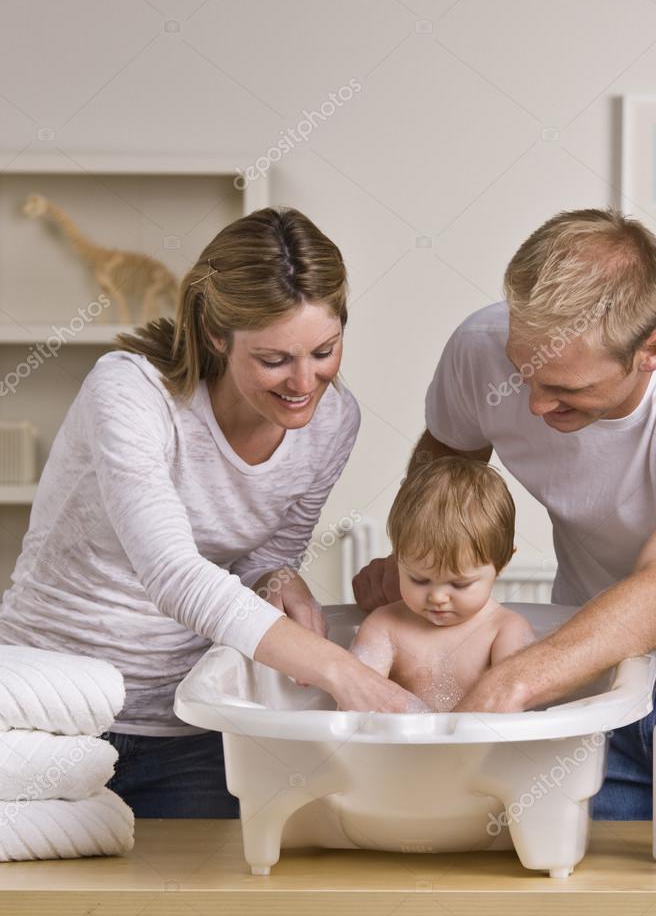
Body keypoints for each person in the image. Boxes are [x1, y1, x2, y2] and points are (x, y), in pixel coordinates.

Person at [353, 207, 656, 915]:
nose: (532, 401)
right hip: (599, 669)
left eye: (567, 391)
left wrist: (512, 682)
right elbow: (449, 449)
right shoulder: (483, 346)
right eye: (525, 372)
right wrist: (416, 560)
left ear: (651, 350)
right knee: (596, 898)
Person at [0, 206, 421, 819]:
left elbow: (265, 555)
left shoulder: (333, 420)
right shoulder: (130, 392)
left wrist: (278, 577)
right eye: (274, 359)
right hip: (46, 716)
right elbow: (171, 572)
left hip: (188, 725)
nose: (305, 382)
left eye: (324, 350)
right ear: (218, 335)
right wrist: (344, 674)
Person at [350, 457, 534, 711]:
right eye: (419, 579)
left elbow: (518, 718)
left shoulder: (505, 632)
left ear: (501, 564)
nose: (437, 597)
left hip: (483, 749)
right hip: (400, 749)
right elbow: (354, 707)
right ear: (397, 558)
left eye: (459, 585)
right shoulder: (384, 627)